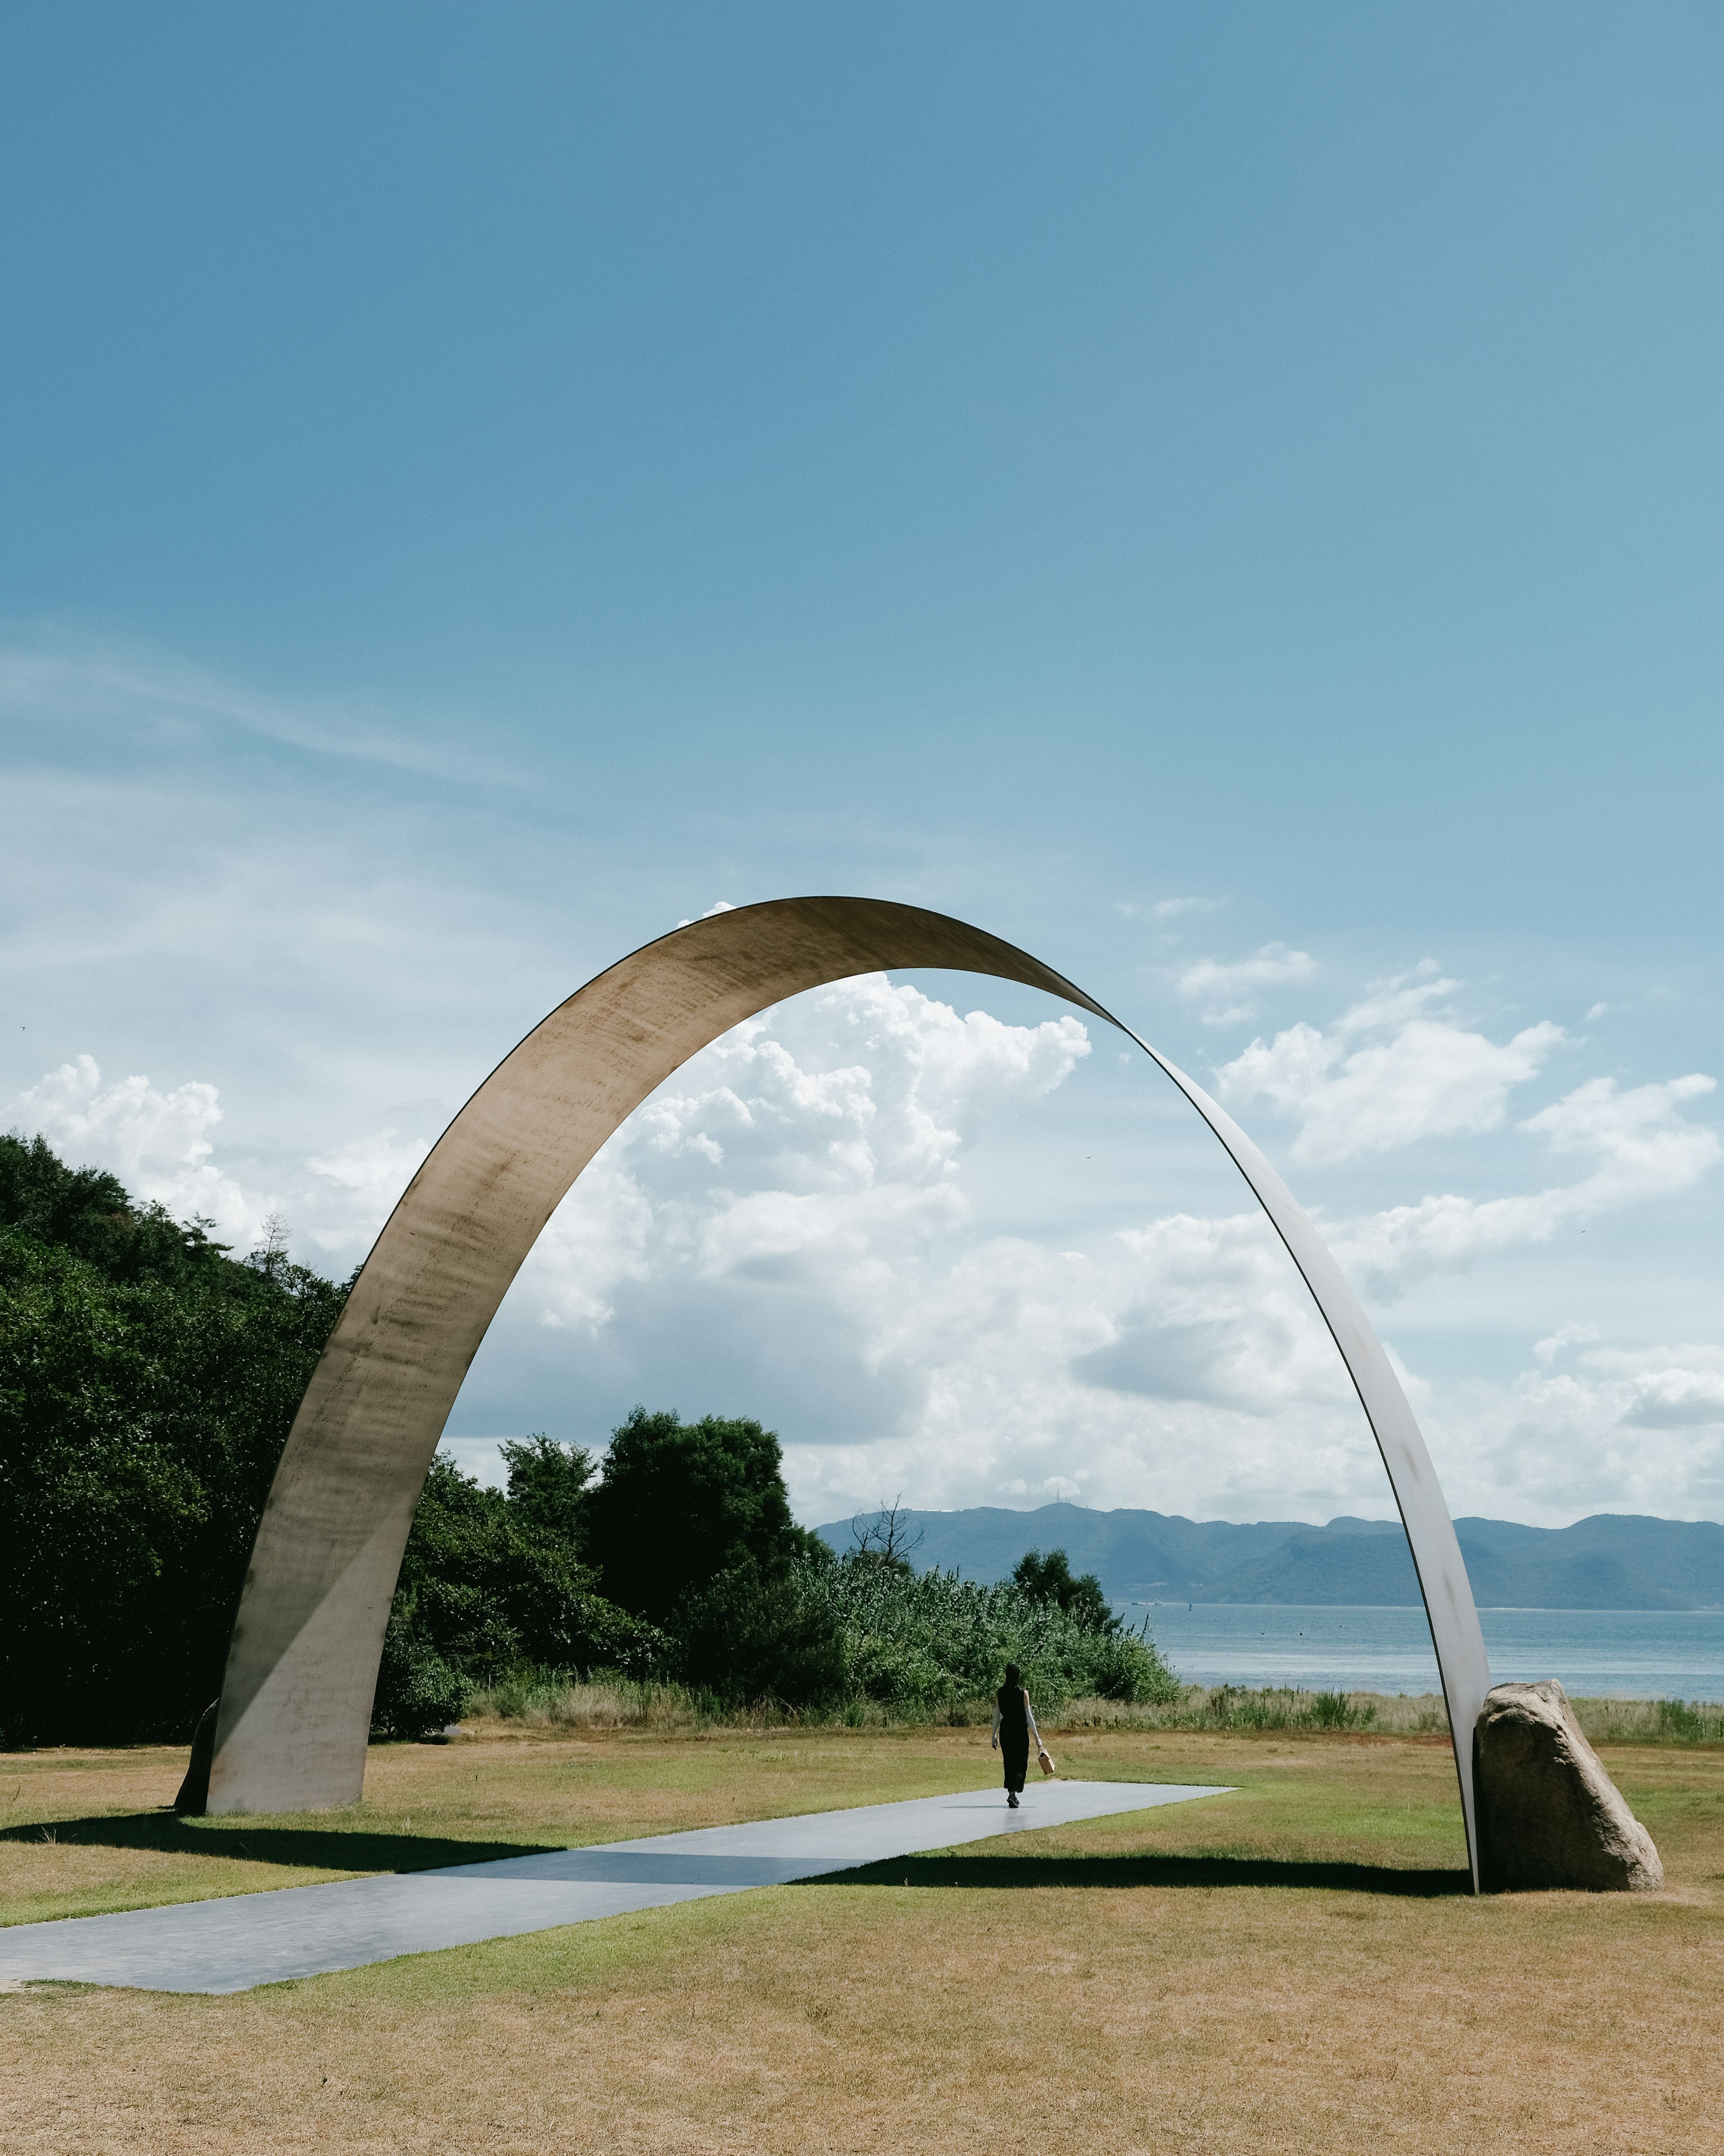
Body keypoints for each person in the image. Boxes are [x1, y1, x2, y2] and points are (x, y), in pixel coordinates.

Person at [990, 1662, 1042, 1808]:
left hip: (1006, 1731)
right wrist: (1038, 1738)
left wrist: (994, 1735)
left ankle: (1011, 1792)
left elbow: (996, 1716)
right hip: (1020, 1731)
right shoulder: (1023, 1694)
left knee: (1009, 1763)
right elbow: (1030, 1717)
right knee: (1021, 1763)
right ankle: (1015, 1792)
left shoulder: (1000, 1693)